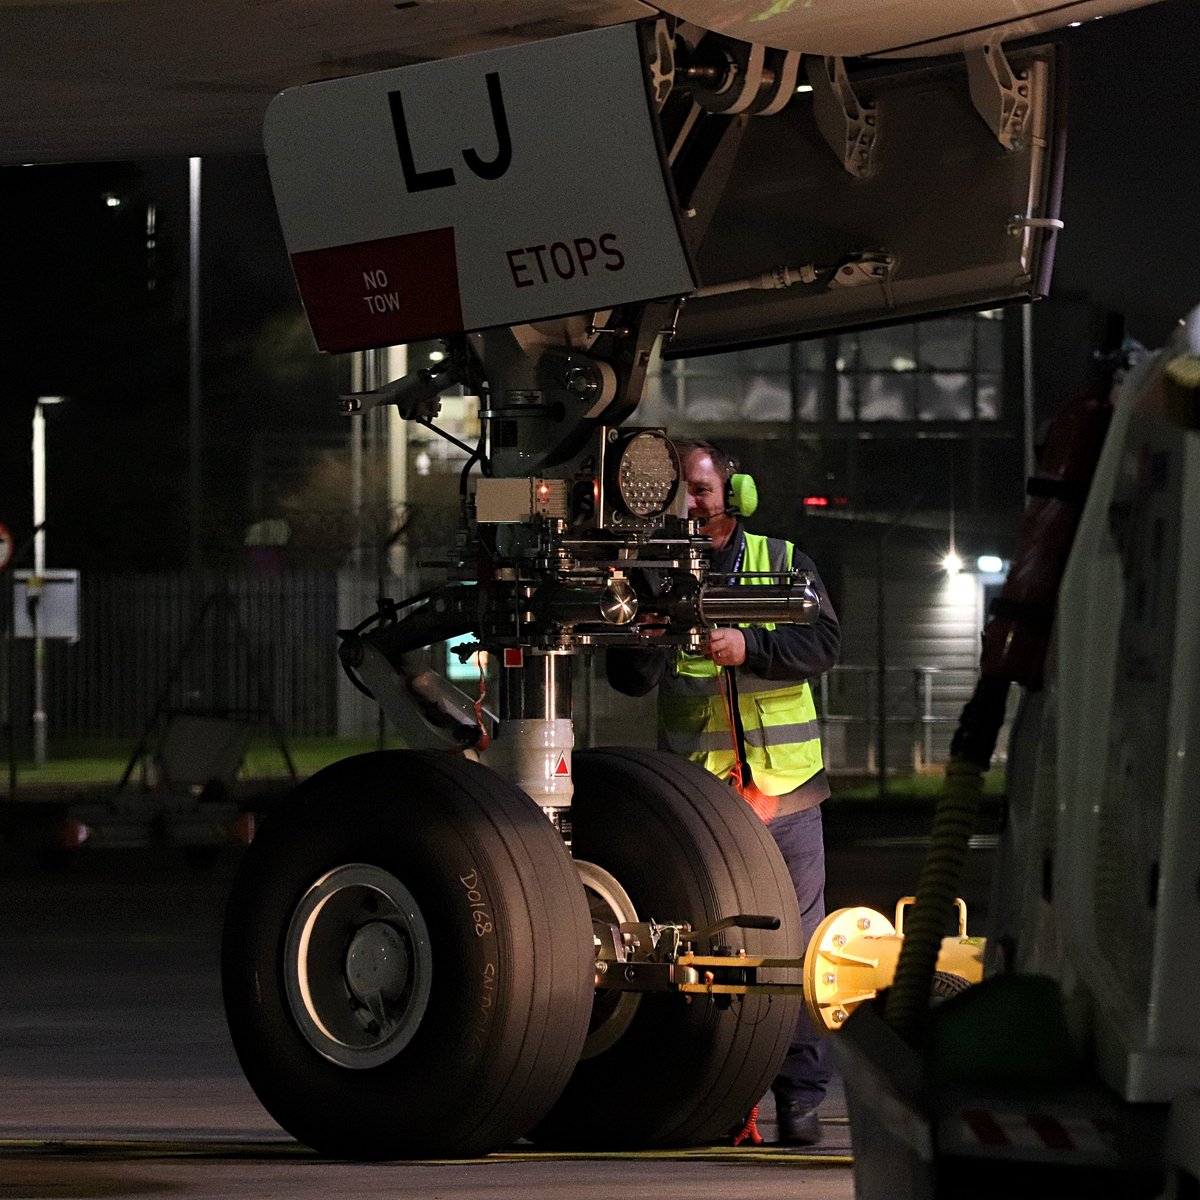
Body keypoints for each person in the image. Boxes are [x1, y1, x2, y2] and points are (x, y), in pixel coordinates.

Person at [606, 438, 841, 1146]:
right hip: (701, 808)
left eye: (703, 491)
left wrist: (751, 647)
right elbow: (630, 681)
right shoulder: (651, 573)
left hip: (786, 795)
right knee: (703, 954)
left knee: (795, 952)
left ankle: (798, 1097)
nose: (694, 506)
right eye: (680, 494)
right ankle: (717, 1096)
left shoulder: (782, 559)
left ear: (732, 493)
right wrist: (643, 639)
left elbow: (824, 644)